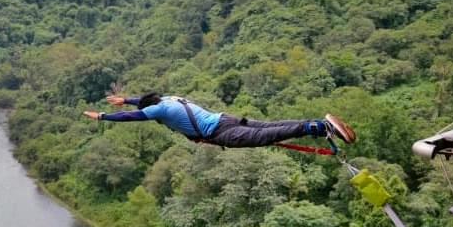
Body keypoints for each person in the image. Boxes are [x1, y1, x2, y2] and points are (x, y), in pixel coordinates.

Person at [82, 92, 356, 148]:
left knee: (268, 136)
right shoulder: (169, 99)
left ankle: (321, 127)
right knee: (271, 126)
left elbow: (132, 116)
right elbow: (143, 100)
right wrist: (126, 98)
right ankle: (320, 126)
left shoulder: (156, 111)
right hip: (225, 119)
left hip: (222, 134)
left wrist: (103, 116)